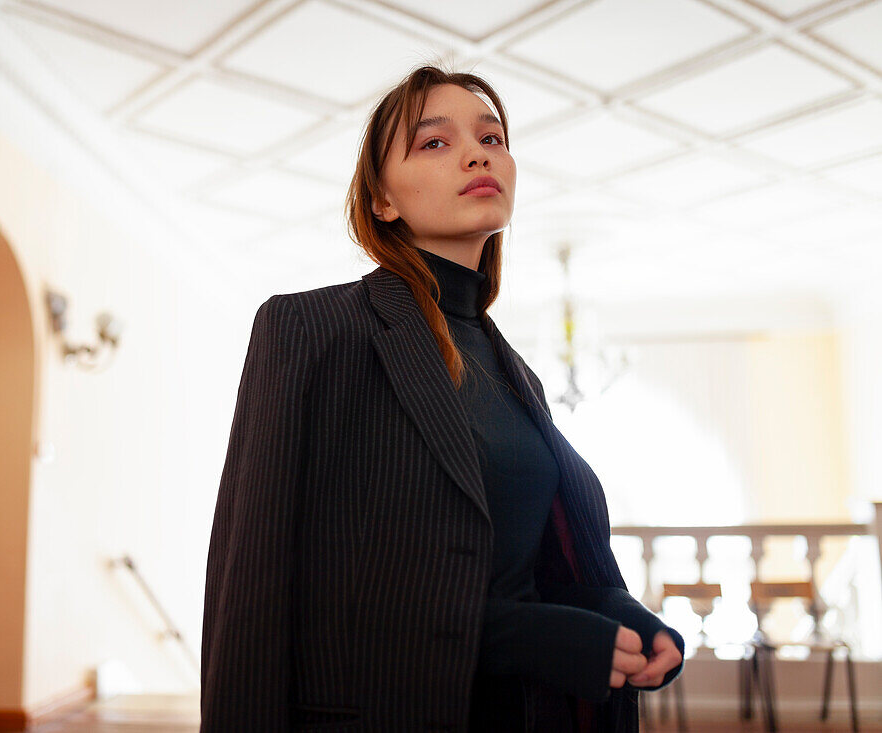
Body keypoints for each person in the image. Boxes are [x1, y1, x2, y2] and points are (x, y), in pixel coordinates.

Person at [200, 63, 684, 732]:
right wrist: (531, 636)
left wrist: (610, 606)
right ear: (382, 201)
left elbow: (517, 567)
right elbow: (259, 588)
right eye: (434, 141)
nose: (477, 151)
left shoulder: (517, 372)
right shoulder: (308, 328)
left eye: (492, 136)